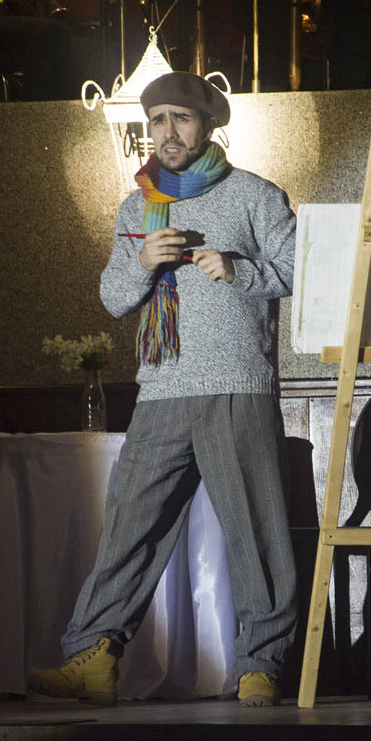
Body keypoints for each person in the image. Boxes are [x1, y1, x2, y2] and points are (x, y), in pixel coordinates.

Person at [25, 71, 298, 708]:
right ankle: (93, 656)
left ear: (208, 126)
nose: (167, 133)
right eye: (157, 121)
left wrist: (238, 268)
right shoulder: (137, 205)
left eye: (181, 119)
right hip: (161, 386)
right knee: (129, 527)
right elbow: (114, 298)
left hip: (233, 383)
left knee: (255, 531)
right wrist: (143, 263)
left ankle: (262, 663)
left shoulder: (254, 195)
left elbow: (299, 269)